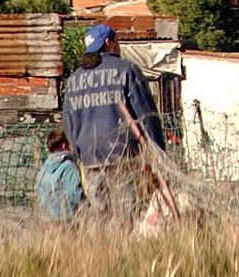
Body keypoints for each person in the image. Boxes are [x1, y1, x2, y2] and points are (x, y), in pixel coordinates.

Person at [62, 23, 166, 216]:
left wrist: (79, 153)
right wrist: (158, 150)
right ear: (109, 43)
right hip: (125, 157)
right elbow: (147, 115)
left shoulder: (74, 79)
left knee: (102, 215)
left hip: (91, 159)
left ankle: (105, 246)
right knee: (130, 214)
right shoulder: (127, 70)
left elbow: (68, 123)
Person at [35, 128, 84, 222]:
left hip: (47, 217)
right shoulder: (68, 167)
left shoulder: (44, 169)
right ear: (64, 145)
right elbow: (75, 193)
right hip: (66, 218)